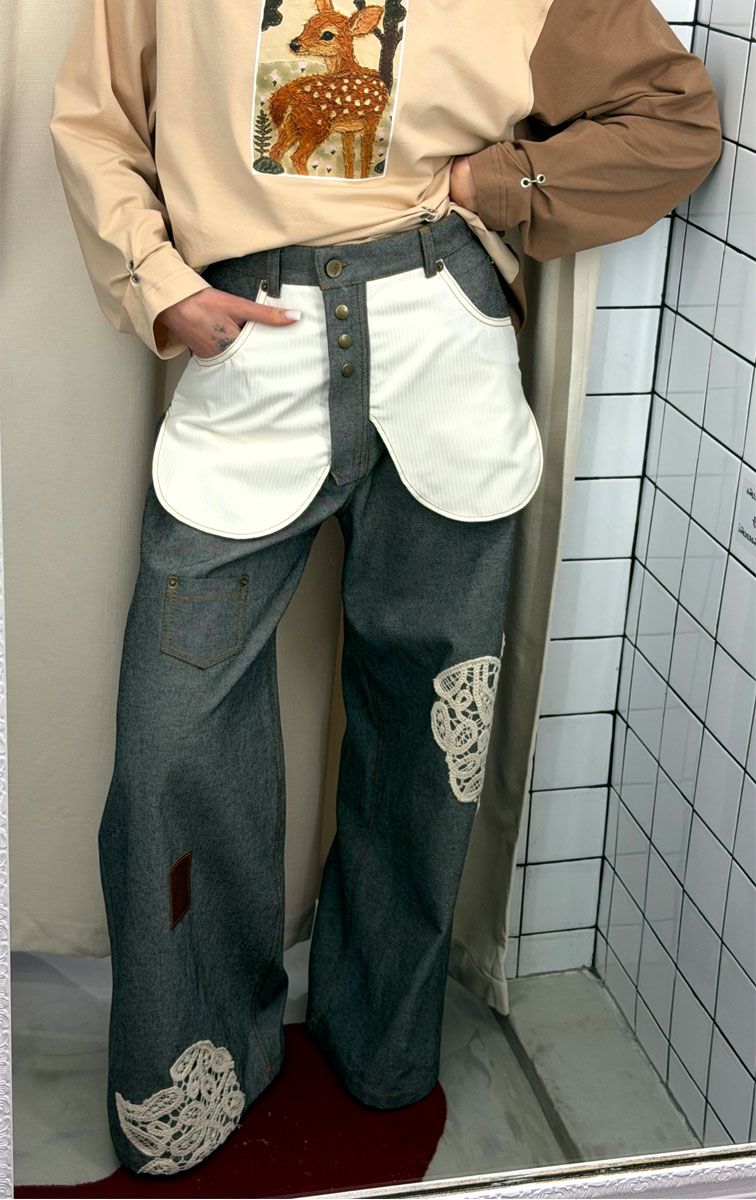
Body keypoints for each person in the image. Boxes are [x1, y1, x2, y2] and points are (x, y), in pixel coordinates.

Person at [49, 0, 721, 1177]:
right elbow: (100, 120)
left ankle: (384, 1046)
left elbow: (673, 121)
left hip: (443, 346)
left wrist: (489, 185)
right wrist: (157, 281)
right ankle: (193, 1077)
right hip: (250, 348)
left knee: (429, 732)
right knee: (171, 743)